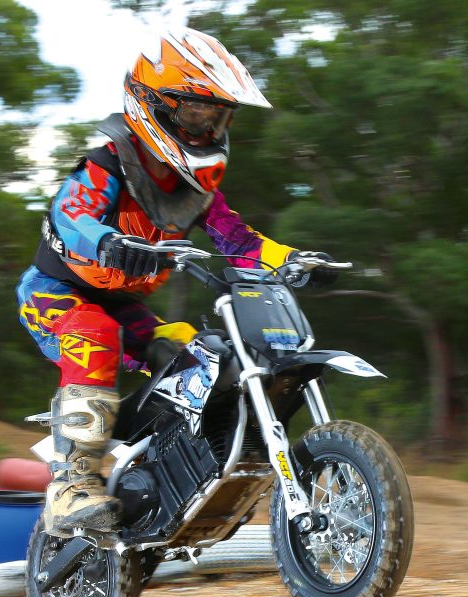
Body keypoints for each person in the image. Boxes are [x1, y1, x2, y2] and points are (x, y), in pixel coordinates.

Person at [17, 28, 335, 537]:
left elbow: (240, 241)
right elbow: (70, 215)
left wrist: (296, 260)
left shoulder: (196, 188)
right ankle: (71, 487)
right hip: (55, 294)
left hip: (122, 303)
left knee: (197, 354)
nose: (207, 128)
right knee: (95, 337)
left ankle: (167, 473)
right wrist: (105, 240)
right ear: (153, 105)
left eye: (217, 117)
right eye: (195, 114)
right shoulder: (108, 163)